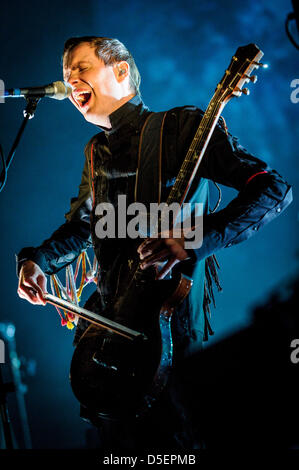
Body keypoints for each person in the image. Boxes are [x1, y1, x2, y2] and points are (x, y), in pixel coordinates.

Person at [16, 37, 292, 449]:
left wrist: (195, 240)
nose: (69, 79)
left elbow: (272, 189)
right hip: (110, 344)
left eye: (81, 67)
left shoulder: (180, 126)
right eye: (65, 73)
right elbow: (83, 226)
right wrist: (38, 261)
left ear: (121, 70)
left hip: (173, 344)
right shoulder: (96, 151)